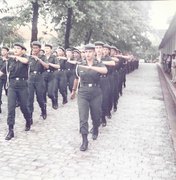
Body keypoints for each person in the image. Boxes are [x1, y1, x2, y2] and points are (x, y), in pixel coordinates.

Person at [71, 43, 107, 151]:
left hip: (96, 92)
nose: (88, 54)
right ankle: (84, 140)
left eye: (90, 52)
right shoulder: (80, 64)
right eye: (86, 52)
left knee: (96, 116)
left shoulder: (98, 63)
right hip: (83, 92)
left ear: (94, 53)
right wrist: (73, 91)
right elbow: (76, 78)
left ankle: (95, 128)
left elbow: (105, 71)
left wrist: (92, 67)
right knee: (83, 117)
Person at [0, 42, 32, 140]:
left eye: (18, 48)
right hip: (12, 86)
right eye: (14, 48)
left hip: (23, 85)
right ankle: (10, 130)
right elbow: (2, 72)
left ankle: (28, 119)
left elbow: (26, 61)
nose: (16, 50)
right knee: (10, 108)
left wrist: (16, 57)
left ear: (23, 50)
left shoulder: (26, 57)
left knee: (24, 107)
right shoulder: (9, 61)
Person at [28, 41, 49, 123]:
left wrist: (39, 59)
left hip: (39, 78)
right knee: (29, 99)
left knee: (40, 98)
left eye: (36, 48)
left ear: (39, 49)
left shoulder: (43, 57)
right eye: (33, 47)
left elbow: (47, 66)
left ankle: (43, 109)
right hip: (30, 78)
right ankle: (30, 117)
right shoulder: (29, 57)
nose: (34, 49)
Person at [43, 44, 60, 109]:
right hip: (43, 75)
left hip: (51, 75)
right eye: (45, 48)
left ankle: (54, 100)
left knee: (50, 93)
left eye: (48, 48)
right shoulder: (42, 57)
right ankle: (44, 109)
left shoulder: (54, 57)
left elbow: (58, 66)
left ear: (51, 50)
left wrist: (49, 64)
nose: (46, 49)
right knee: (43, 93)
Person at [0, 47, 9, 113]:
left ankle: (15, 102)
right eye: (2, 50)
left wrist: (6, 60)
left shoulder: (9, 59)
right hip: (0, 78)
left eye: (4, 50)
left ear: (7, 51)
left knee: (8, 92)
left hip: (7, 78)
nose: (3, 52)